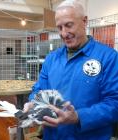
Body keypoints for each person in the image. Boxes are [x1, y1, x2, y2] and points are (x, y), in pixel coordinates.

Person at [24, 0, 118, 139]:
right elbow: (39, 90)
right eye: (59, 27)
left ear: (84, 21)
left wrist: (79, 116)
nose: (64, 33)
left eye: (69, 25)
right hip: (53, 135)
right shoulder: (51, 59)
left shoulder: (108, 58)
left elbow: (114, 103)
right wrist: (33, 102)